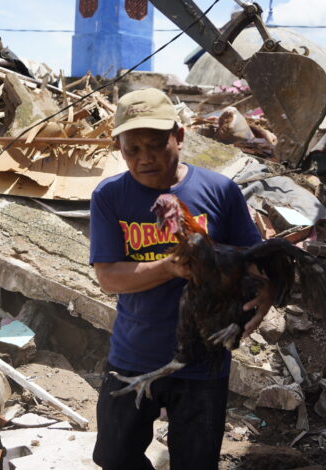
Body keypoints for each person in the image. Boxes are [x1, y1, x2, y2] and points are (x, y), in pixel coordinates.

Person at [89, 88, 273, 470]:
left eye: (155, 144)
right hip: (134, 354)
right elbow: (109, 277)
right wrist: (170, 267)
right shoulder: (110, 196)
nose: (145, 158)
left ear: (180, 135)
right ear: (119, 148)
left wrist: (267, 290)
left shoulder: (219, 190)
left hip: (203, 359)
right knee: (114, 457)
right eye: (132, 149)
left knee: (196, 463)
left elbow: (255, 259)